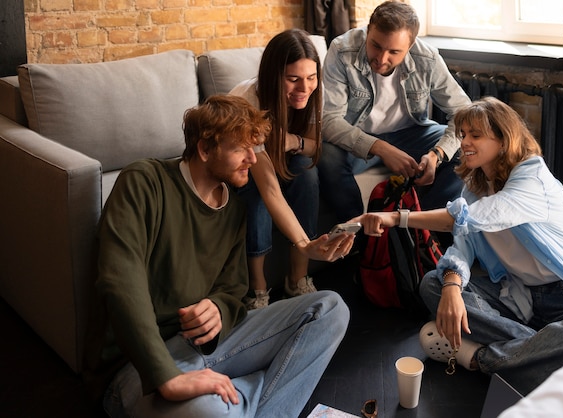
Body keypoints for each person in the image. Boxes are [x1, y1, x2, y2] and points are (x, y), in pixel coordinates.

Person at [83, 95, 351, 417]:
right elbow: (119, 281)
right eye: (240, 148)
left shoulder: (234, 209)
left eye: (254, 148)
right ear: (205, 149)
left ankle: (235, 397)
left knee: (330, 309)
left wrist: (219, 308)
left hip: (207, 345)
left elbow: (234, 291)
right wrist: (166, 377)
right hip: (136, 368)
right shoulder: (143, 182)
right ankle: (243, 396)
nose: (253, 159)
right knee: (209, 413)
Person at [354, 96, 563, 395]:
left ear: (504, 140)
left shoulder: (533, 177)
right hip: (521, 297)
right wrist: (453, 287)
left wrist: (396, 217)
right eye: (463, 135)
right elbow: (462, 245)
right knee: (433, 284)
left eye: (475, 135)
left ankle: (482, 358)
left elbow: (469, 219)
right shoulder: (475, 184)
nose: (464, 142)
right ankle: (546, 350)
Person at [318, 0, 472, 225]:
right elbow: (329, 120)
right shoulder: (342, 50)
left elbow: (463, 113)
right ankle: (356, 238)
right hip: (357, 137)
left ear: (410, 46)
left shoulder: (427, 58)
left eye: (393, 52)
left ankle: (428, 234)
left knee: (464, 149)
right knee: (326, 156)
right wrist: (380, 148)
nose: (381, 59)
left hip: (411, 133)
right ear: (368, 30)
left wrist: (437, 154)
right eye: (376, 46)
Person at [230, 28, 334, 309]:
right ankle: (258, 290)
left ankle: (297, 279)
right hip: (243, 169)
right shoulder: (249, 101)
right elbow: (270, 191)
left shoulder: (312, 92)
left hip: (283, 160)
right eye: (293, 79)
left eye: (311, 78)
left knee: (307, 172)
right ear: (273, 76)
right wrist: (305, 243)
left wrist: (292, 140)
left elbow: (314, 147)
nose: (304, 88)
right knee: (256, 198)